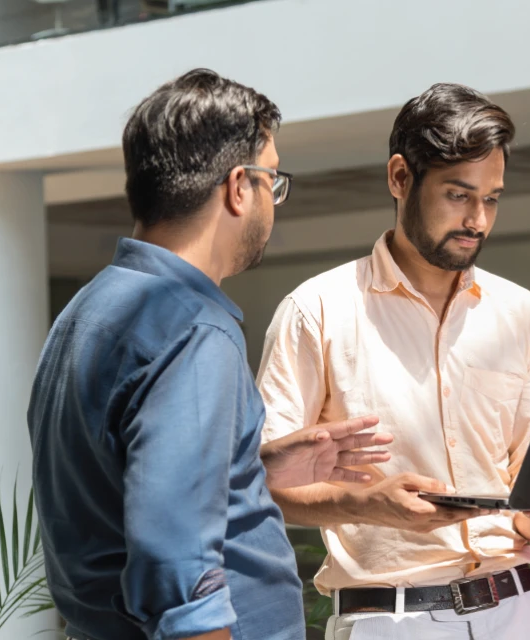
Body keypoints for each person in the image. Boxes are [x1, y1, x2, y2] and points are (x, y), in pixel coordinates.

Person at [256, 82, 530, 640]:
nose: (478, 221)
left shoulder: (526, 317)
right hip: (388, 620)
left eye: (491, 199)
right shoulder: (315, 311)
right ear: (399, 178)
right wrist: (368, 504)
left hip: (517, 611)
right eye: (458, 195)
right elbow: (261, 484)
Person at [27, 69, 393, 640]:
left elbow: (121, 485)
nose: (274, 200)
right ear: (238, 186)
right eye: (273, 179)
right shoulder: (194, 329)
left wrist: (251, 467)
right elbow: (178, 567)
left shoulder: (87, 311)